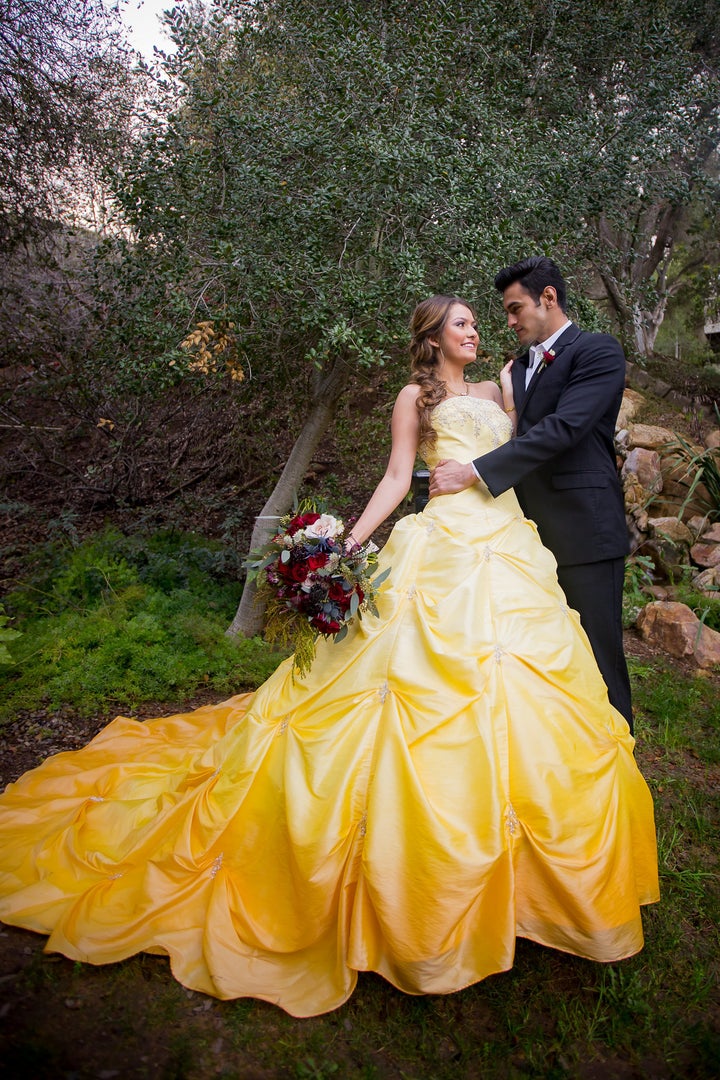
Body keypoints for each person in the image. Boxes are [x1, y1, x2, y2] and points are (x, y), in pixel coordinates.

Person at [0, 296, 658, 1019]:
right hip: (437, 542)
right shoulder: (415, 396)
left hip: (508, 544)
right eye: (462, 322)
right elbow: (395, 477)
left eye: (479, 321)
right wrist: (346, 547)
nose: (476, 331)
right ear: (433, 337)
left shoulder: (505, 385)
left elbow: (531, 453)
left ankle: (534, 876)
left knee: (530, 684)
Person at [429, 258, 634, 729]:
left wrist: (473, 472)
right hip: (523, 540)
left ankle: (620, 766)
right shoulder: (515, 371)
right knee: (544, 662)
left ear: (548, 298)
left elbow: (566, 428)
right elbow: (513, 434)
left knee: (598, 658)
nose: (509, 321)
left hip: (584, 530)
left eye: (515, 308)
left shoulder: (598, 352)